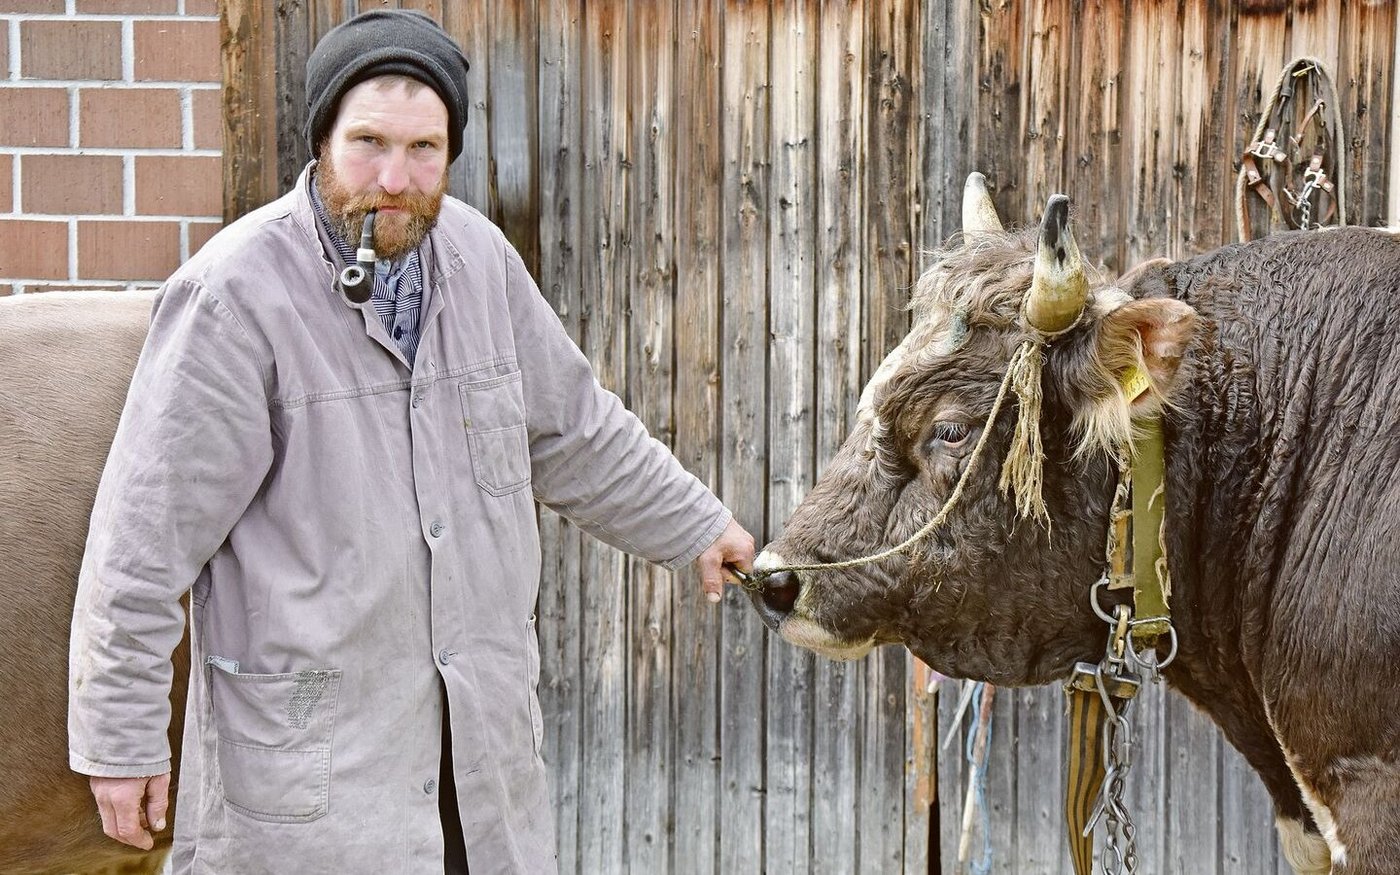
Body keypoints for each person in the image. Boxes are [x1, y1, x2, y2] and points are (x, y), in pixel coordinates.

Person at [67, 10, 754, 874]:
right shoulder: (233, 297)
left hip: (473, 767)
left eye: (424, 148)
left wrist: (694, 523)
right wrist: (120, 741)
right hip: (316, 789)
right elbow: (141, 538)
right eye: (368, 143)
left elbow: (575, 429)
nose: (395, 177)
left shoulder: (480, 260)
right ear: (321, 140)